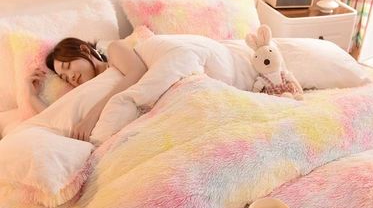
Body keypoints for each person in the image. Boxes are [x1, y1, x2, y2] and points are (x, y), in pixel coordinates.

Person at [28, 34, 258, 142]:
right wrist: (30, 95)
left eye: (68, 66)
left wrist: (91, 117)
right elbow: (58, 117)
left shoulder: (115, 50)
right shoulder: (88, 89)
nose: (70, 77)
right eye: (64, 77)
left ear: (84, 50)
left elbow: (136, 71)